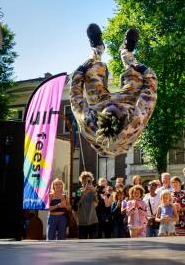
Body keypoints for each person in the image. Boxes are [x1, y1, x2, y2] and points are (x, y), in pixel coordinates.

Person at [70, 24, 158, 157]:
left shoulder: (89, 121)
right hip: (125, 105)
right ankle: (126, 52)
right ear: (124, 116)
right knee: (137, 75)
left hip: (100, 106)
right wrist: (146, 71)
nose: (112, 103)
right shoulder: (134, 121)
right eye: (115, 107)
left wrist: (79, 72)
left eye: (110, 107)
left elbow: (75, 100)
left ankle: (97, 48)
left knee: (91, 71)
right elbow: (150, 96)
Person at [73, 171, 98, 239]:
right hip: (82, 221)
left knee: (94, 242)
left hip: (93, 220)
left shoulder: (93, 190)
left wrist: (94, 193)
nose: (87, 183)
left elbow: (97, 203)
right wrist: (83, 193)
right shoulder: (78, 191)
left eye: (89, 181)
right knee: (82, 242)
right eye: (85, 181)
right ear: (82, 181)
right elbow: (76, 204)